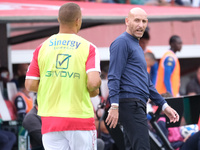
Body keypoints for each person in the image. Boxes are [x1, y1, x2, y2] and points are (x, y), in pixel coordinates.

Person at [25, 3, 101, 150]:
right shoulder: (88, 47)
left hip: (50, 120)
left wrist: (54, 81)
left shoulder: (42, 48)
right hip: (79, 119)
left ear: (58, 19)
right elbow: (93, 83)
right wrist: (93, 89)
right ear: (78, 20)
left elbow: (29, 84)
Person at [106, 7, 179, 150]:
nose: (141, 25)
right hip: (130, 103)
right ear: (127, 21)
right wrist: (114, 105)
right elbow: (114, 75)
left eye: (144, 21)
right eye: (137, 20)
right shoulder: (122, 42)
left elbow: (147, 82)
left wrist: (164, 105)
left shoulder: (137, 46)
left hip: (136, 104)